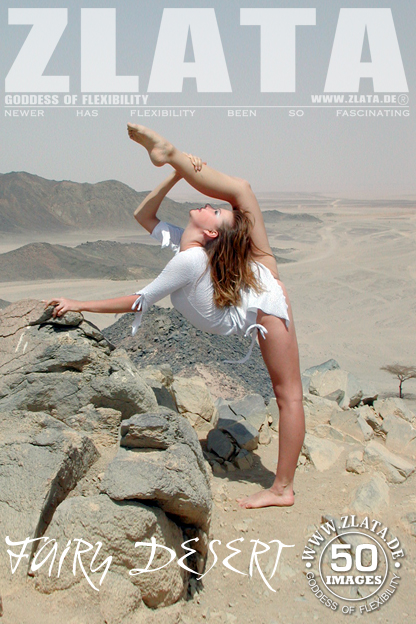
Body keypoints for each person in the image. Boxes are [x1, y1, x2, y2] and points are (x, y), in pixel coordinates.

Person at [44, 124, 305, 510]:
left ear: (212, 233)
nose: (209, 205)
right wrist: (175, 173)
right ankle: (170, 154)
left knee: (289, 395)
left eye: (215, 211)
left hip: (267, 304)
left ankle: (282, 490)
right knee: (242, 189)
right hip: (259, 275)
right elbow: (143, 214)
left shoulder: (191, 259)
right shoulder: (188, 246)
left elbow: (139, 301)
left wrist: (79, 304)